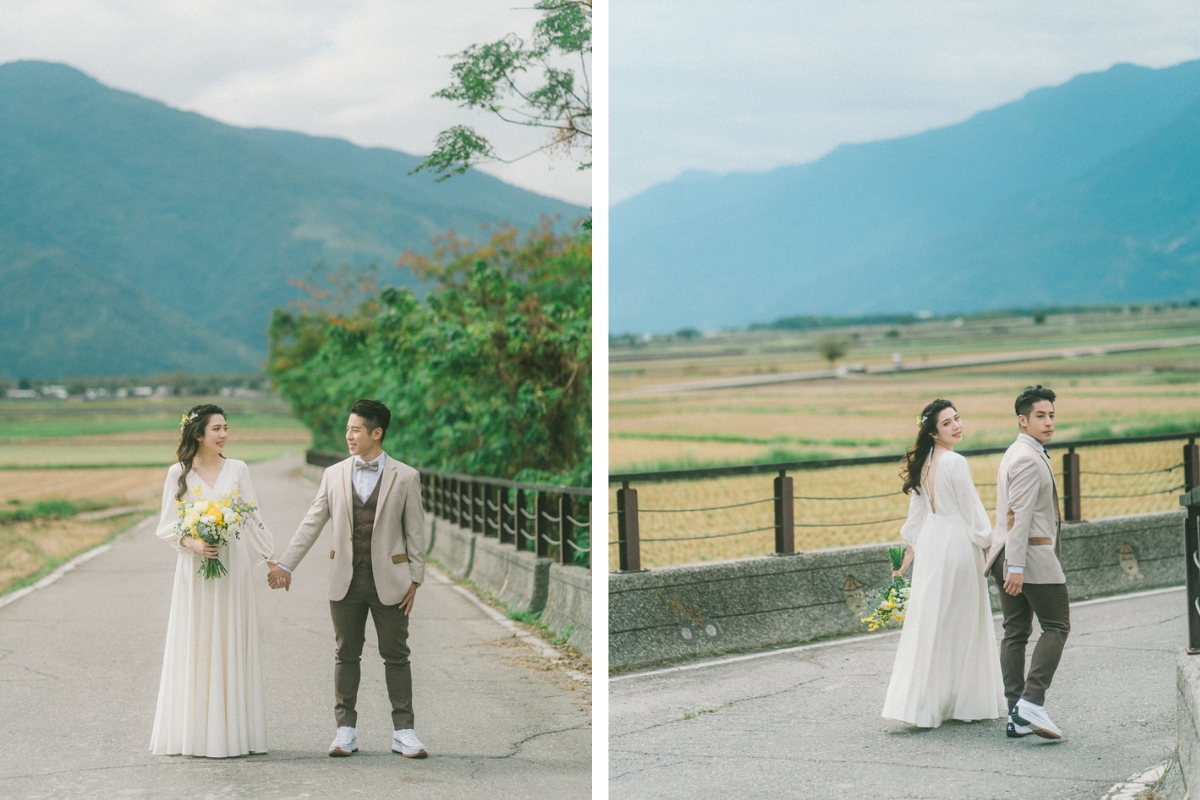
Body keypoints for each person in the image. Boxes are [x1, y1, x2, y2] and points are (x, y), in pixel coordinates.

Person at [267, 399, 428, 758]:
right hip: (345, 580)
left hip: (392, 581)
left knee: (397, 656)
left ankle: (405, 732)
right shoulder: (334, 474)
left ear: (376, 432)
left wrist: (415, 579)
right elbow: (312, 521)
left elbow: (416, 532)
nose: (349, 436)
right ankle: (345, 731)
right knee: (345, 655)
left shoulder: (406, 476)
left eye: (356, 429)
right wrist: (285, 564)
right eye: (347, 429)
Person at [151, 404, 277, 757]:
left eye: (226, 427)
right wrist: (192, 542)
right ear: (198, 434)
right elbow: (166, 525)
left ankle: (235, 733)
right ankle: (194, 733)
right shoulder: (178, 472)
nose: (223, 434)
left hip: (231, 569)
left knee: (229, 639)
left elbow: (253, 519)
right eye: (216, 429)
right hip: (195, 571)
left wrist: (272, 560)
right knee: (197, 640)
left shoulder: (238, 469)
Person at [881, 398, 1004, 728]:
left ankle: (925, 705)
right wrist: (991, 546)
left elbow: (917, 515)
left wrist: (910, 549)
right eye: (948, 423)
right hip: (957, 543)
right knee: (964, 621)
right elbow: (973, 511)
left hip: (934, 544)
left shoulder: (922, 462)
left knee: (932, 621)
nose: (957, 426)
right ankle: (963, 702)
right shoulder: (955, 462)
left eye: (957, 419)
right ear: (934, 433)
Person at [983, 385, 1069, 740]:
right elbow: (1016, 516)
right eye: (1040, 416)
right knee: (1057, 625)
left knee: (1015, 632)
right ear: (1023, 420)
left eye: (1051, 415)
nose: (1048, 422)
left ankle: (1016, 712)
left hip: (1013, 554)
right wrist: (1015, 567)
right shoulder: (1026, 458)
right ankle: (1031, 702)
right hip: (1028, 555)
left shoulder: (1020, 452)